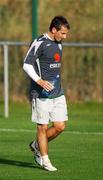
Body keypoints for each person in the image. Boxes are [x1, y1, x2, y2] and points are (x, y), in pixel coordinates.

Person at [23, 16, 70, 171]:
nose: (65, 37)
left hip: (57, 92)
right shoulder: (39, 42)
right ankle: (44, 159)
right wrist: (39, 81)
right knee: (42, 127)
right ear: (54, 30)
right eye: (62, 33)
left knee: (60, 126)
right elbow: (26, 65)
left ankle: (36, 145)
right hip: (41, 93)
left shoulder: (59, 43)